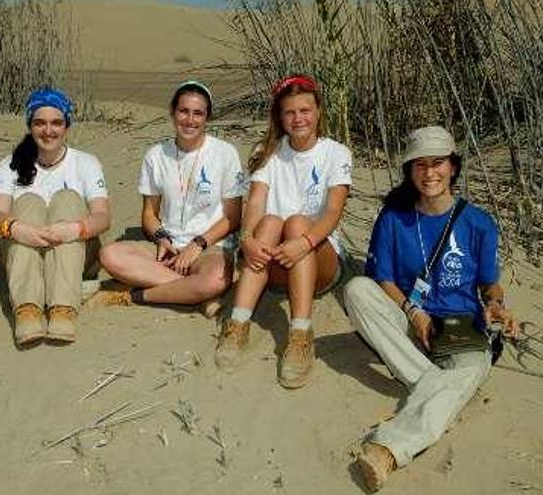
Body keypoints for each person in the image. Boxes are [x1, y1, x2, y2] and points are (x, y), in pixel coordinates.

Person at [342, 126, 519, 491]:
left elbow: (490, 282)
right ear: (409, 171)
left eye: (437, 163)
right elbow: (382, 280)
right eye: (419, 165)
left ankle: (388, 448)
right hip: (410, 321)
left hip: (460, 326)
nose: (429, 173)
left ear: (453, 167)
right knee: (357, 289)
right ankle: (443, 389)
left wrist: (496, 304)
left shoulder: (478, 223)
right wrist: (413, 311)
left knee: (473, 364)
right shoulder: (394, 218)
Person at [214, 75, 352, 389]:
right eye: (290, 112)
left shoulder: (336, 153)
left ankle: (301, 333)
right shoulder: (270, 152)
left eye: (305, 110)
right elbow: (256, 204)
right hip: (274, 263)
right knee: (273, 221)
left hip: (319, 259)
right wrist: (247, 240)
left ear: (318, 111)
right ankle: (237, 325)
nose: (298, 118)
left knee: (298, 222)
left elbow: (333, 212)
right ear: (280, 117)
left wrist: (304, 242)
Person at [92, 81, 245, 314]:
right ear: (173, 113)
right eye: (183, 111)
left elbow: (233, 217)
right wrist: (162, 238)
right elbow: (149, 214)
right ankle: (195, 292)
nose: (190, 120)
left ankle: (138, 294)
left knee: (214, 278)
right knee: (109, 255)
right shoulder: (155, 155)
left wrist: (198, 244)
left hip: (210, 245)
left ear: (207, 117)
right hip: (169, 247)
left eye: (198, 113)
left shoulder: (225, 154)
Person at [0, 87, 110, 346]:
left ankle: (62, 308)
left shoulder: (86, 163)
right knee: (28, 202)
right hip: (26, 249)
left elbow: (102, 217)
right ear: (30, 126)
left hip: (73, 247)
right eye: (39, 123)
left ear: (67, 126)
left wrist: (74, 229)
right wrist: (15, 228)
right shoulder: (10, 165)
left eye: (56, 123)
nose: (48, 131)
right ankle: (28, 309)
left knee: (68, 199)